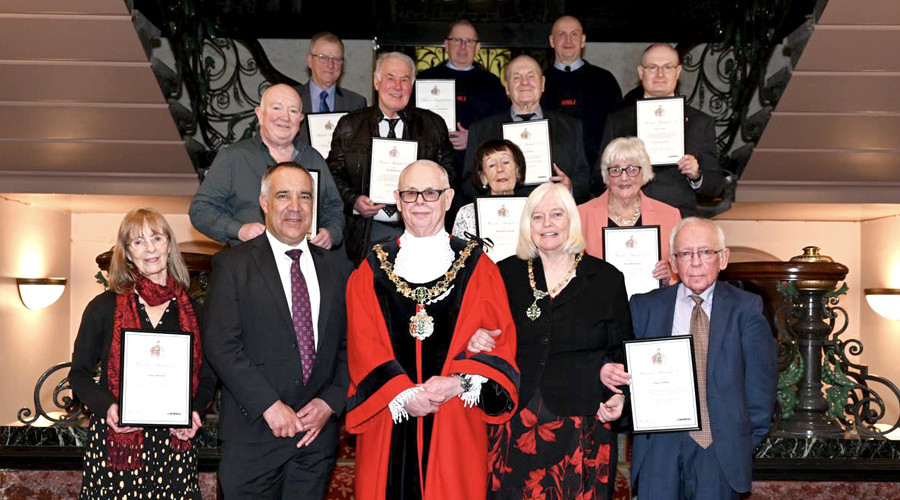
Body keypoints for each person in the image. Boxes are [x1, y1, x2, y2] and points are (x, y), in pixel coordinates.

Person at [345, 160, 520, 499]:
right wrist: (403, 393)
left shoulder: (477, 266)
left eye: (431, 192)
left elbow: (500, 339)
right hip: (390, 414)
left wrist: (459, 381)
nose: (420, 201)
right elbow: (362, 343)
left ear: (449, 197)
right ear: (397, 199)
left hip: (453, 413)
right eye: (411, 194)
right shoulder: (371, 268)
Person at [465, 182, 632, 498]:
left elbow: (621, 351)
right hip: (516, 420)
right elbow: (483, 331)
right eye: (538, 217)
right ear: (527, 225)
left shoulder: (607, 278)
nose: (547, 224)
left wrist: (620, 398)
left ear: (572, 220)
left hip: (582, 420)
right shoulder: (503, 274)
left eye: (557, 215)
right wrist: (476, 337)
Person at [202, 162, 353, 498]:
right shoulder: (233, 265)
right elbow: (221, 344)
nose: (295, 207)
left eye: (304, 197)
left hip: (315, 440)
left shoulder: (340, 269)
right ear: (264, 202)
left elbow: (351, 347)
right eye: (283, 196)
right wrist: (270, 405)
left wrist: (330, 402)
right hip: (253, 435)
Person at [613, 217, 777, 499]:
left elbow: (761, 390)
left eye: (705, 252)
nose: (696, 262)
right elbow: (629, 373)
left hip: (719, 450)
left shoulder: (746, 308)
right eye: (686, 254)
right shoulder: (644, 307)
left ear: (723, 258)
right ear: (673, 263)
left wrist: (737, 444)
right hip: (659, 450)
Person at [69, 207, 216, 499]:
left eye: (157, 238)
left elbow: (209, 376)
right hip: (117, 444)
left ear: (169, 245)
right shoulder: (104, 307)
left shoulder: (194, 312)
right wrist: (109, 408)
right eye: (138, 241)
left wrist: (195, 412)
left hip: (174, 445)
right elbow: (80, 375)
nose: (150, 248)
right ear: (127, 252)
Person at [328, 52, 454, 263]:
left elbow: (449, 173)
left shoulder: (432, 125)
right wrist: (354, 200)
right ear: (376, 82)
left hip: (419, 229)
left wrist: (424, 197)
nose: (397, 86)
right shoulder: (350, 125)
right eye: (390, 78)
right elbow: (333, 173)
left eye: (404, 80)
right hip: (366, 231)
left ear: (411, 86)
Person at [189, 83, 345, 249]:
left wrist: (330, 232)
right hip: (250, 262)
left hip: (305, 261)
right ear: (260, 114)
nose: (285, 117)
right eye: (277, 108)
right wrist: (239, 230)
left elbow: (334, 207)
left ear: (300, 119)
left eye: (293, 111)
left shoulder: (314, 158)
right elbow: (201, 210)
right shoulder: (233, 157)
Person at [600, 44, 725, 216]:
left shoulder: (700, 122)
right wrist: (620, 173)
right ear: (641, 72)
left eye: (667, 67)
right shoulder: (618, 120)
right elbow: (597, 178)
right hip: (629, 218)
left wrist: (696, 175)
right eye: (652, 67)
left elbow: (716, 186)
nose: (660, 74)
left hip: (679, 219)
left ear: (678, 71)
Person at [464, 55, 590, 204]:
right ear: (507, 87)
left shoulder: (571, 126)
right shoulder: (481, 130)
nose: (524, 82)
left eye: (531, 76)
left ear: (542, 84)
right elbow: (467, 184)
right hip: (503, 217)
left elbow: (585, 179)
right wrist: (492, 187)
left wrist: (569, 187)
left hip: (555, 211)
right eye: (516, 77)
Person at [578, 137, 681, 284]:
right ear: (606, 175)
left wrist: (669, 276)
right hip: (600, 303)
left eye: (632, 169)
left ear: (643, 172)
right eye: (616, 170)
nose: (624, 177)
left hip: (651, 303)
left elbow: (681, 269)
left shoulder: (670, 216)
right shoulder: (581, 215)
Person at [415, 20, 508, 181]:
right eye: (457, 40)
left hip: (478, 171)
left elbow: (502, 126)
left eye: (469, 41)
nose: (463, 46)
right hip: (433, 166)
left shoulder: (491, 83)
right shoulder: (425, 79)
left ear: (477, 47)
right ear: (446, 44)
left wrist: (474, 139)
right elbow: (413, 122)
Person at [542, 15, 623, 167]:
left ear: (583, 40)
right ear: (552, 41)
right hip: (552, 174)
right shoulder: (538, 83)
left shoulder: (605, 80)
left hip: (599, 173)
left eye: (574, 34)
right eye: (561, 34)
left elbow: (618, 130)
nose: (568, 40)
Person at [296, 31, 367, 145]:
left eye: (337, 59)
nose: (330, 65)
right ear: (310, 60)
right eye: (323, 57)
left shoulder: (356, 104)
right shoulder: (292, 99)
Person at [451, 139, 526, 238]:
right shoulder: (468, 214)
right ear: (483, 177)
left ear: (518, 172)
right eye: (492, 165)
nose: (500, 169)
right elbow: (461, 251)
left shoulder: (533, 210)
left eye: (506, 162)